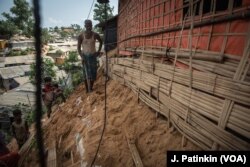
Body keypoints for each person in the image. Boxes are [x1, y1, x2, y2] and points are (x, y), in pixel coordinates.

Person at [77, 19, 103, 93]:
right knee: (85, 74)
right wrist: (82, 56)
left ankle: (91, 88)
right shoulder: (81, 36)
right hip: (85, 57)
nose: (89, 27)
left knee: (93, 73)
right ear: (85, 26)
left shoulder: (95, 34)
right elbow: (78, 48)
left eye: (90, 25)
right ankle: (87, 90)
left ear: (92, 26)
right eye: (87, 25)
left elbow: (101, 41)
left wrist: (98, 51)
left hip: (92, 57)